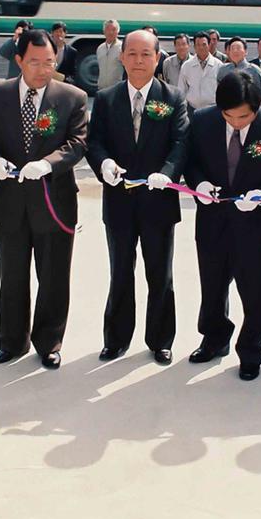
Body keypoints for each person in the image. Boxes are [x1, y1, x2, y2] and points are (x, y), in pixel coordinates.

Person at [0, 29, 88, 370]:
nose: (43, 69)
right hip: (10, 202)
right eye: (35, 62)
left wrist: (47, 164)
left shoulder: (72, 96)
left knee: (54, 276)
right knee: (12, 275)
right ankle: (11, 342)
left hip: (54, 202)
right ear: (19, 61)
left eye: (50, 62)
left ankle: (49, 342)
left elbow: (77, 142)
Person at [86, 29, 189, 364]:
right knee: (120, 272)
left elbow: (181, 144)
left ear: (158, 58)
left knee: (160, 274)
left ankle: (160, 339)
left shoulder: (172, 98)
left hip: (158, 203)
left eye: (146, 54)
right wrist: (104, 164)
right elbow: (94, 141)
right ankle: (115, 338)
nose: (139, 60)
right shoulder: (106, 99)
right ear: (122, 57)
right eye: (132, 53)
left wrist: (168, 173)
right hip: (118, 202)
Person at [184, 71, 261, 381]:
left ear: (257, 108)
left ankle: (250, 351)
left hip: (253, 223)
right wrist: (200, 183)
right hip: (212, 219)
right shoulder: (204, 121)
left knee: (255, 290)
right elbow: (191, 162)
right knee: (212, 285)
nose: (235, 122)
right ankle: (214, 339)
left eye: (243, 117)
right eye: (228, 116)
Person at [216, 37, 261, 109]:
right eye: (232, 49)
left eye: (238, 48)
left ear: (245, 51)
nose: (235, 51)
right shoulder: (223, 70)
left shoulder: (253, 70)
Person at [177, 31, 222, 112]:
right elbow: (181, 89)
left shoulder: (219, 65)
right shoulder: (187, 66)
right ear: (194, 46)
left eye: (204, 44)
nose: (201, 47)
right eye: (198, 45)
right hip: (192, 109)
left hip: (213, 109)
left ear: (209, 45)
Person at [96, 19, 123, 90]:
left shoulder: (122, 47)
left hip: (117, 89)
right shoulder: (100, 48)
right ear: (104, 31)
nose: (110, 32)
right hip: (101, 88)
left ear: (118, 32)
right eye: (108, 29)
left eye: (114, 30)